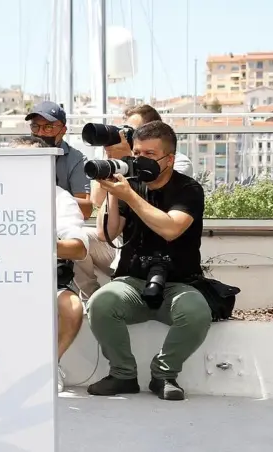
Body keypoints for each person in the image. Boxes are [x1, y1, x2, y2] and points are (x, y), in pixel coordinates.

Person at [86, 121, 211, 401]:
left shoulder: (188, 189)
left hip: (178, 283)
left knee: (196, 312)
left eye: (150, 154)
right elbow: (107, 234)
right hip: (133, 280)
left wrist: (130, 196)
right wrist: (112, 193)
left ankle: (164, 375)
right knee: (101, 303)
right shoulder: (129, 185)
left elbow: (171, 229)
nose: (141, 160)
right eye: (138, 153)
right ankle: (122, 374)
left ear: (170, 159)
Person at [74, 104, 194, 301]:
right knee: (77, 239)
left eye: (131, 131)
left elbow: (156, 193)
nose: (126, 136)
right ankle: (92, 299)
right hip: (121, 242)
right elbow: (97, 200)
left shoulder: (177, 161)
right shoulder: (122, 158)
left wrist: (132, 160)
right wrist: (114, 163)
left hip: (161, 250)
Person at [12, 136, 88, 393]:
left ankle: (49, 365)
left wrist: (36, 244)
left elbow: (78, 248)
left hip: (47, 279)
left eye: (28, 160)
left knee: (73, 307)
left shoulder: (60, 198)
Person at [25, 101, 93, 219]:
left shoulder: (77, 160)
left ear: (63, 130)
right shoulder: (19, 155)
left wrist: (48, 196)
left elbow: (85, 210)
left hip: (60, 223)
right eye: (35, 126)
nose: (40, 133)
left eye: (48, 127)